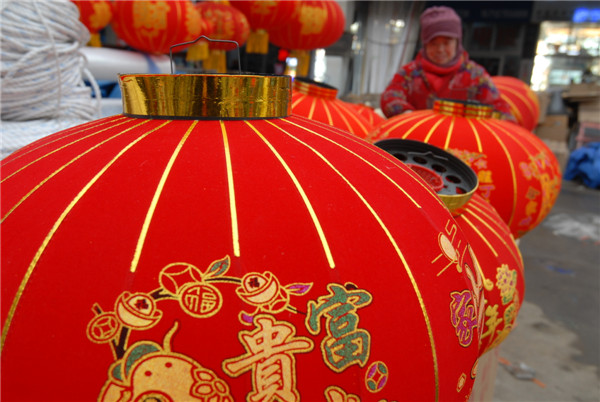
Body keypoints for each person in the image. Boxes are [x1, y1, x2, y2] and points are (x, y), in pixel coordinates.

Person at [380, 6, 514, 120]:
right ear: (424, 44)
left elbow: (500, 109)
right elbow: (389, 97)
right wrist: (407, 114)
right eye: (433, 43)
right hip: (417, 138)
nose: (440, 49)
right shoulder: (409, 73)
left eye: (446, 42)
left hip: (462, 140)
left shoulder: (475, 75)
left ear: (457, 42)